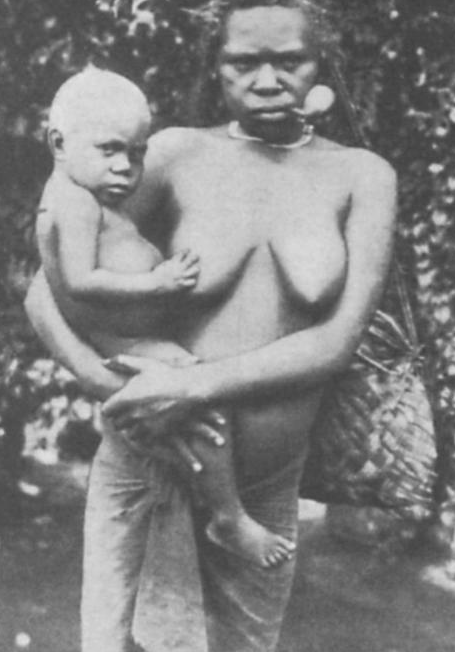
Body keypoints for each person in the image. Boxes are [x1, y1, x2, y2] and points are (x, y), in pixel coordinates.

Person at [25, 0, 397, 652]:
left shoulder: (361, 176)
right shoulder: (172, 156)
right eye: (243, 62)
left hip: (259, 493)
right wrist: (119, 386)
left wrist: (193, 391)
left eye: (288, 61)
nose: (266, 80)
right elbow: (46, 288)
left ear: (320, 61)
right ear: (216, 66)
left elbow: (336, 341)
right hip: (148, 461)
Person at [37, 66, 295, 568]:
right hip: (125, 346)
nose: (126, 169)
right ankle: (228, 515)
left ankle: (208, 498)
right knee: (195, 393)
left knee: (188, 415)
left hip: (130, 336)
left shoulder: (85, 197)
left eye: (136, 154)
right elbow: (78, 281)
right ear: (58, 143)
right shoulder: (72, 205)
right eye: (110, 150)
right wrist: (155, 283)